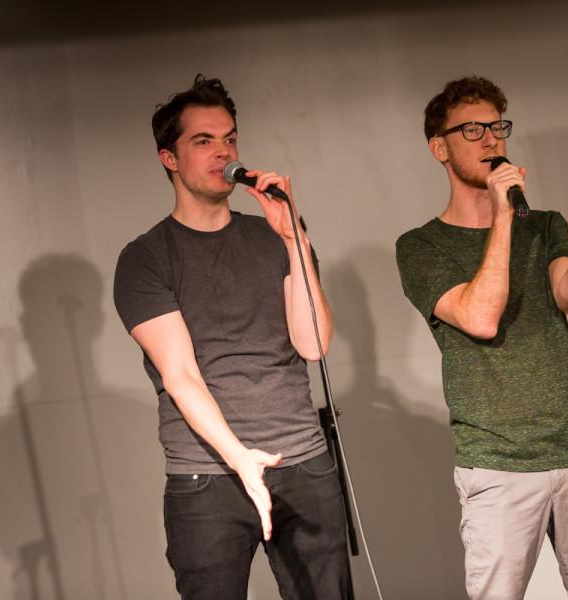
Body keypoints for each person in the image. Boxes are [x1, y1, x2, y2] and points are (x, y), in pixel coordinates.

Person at [114, 74, 351, 600]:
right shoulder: (145, 258)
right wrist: (240, 457)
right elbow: (180, 374)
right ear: (168, 158)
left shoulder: (274, 233)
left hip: (301, 463)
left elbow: (313, 344)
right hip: (209, 476)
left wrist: (293, 238)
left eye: (230, 139)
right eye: (203, 141)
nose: (223, 152)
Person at [395, 76, 568, 599]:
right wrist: (502, 215)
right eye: (471, 130)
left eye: (497, 127)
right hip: (497, 463)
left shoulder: (542, 224)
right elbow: (480, 316)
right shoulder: (420, 246)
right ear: (440, 148)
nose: (491, 141)